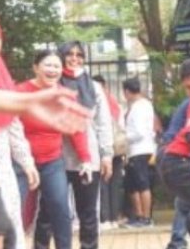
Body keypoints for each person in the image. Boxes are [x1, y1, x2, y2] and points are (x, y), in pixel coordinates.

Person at [16, 50, 92, 249]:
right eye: (47, 65)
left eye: (56, 66)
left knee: (60, 208)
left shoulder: (62, 95)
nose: (52, 70)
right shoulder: (20, 91)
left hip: (52, 162)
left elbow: (77, 129)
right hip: (21, 163)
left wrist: (85, 159)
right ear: (35, 67)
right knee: (15, 209)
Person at [0, 14, 39, 249]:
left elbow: (14, 125)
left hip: (2, 168)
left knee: (9, 225)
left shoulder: (3, 76)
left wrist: (26, 162)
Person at [56, 41, 114, 249]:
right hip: (58, 158)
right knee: (54, 211)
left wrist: (107, 154)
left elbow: (104, 123)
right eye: (69, 54)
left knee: (88, 213)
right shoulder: (55, 83)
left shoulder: (95, 87)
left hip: (89, 160)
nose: (74, 58)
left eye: (79, 55)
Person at [159, 58, 190, 249]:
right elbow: (189, 133)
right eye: (189, 87)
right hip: (181, 160)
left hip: (183, 161)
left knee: (187, 205)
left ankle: (176, 243)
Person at [123, 78, 157, 227]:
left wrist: (123, 137)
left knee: (142, 183)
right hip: (138, 150)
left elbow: (139, 132)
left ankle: (146, 217)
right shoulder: (144, 105)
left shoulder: (138, 107)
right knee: (133, 184)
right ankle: (138, 215)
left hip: (139, 149)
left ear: (126, 92)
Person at [92, 75, 124, 229]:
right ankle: (114, 218)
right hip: (118, 148)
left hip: (103, 148)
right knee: (114, 184)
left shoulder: (96, 102)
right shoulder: (114, 102)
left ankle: (104, 219)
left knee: (103, 183)